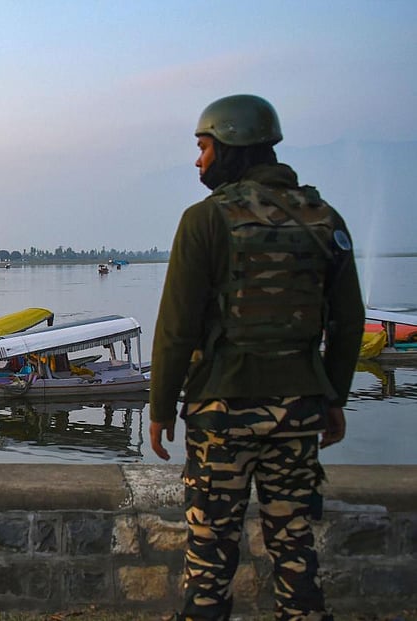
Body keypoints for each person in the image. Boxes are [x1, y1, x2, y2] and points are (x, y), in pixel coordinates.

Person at [149, 94, 365, 621]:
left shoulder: (204, 220)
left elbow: (177, 326)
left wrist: (159, 408)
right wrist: (332, 396)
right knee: (294, 545)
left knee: (210, 547)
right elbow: (348, 322)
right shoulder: (323, 218)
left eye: (204, 147)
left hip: (221, 413)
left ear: (231, 145)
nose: (199, 161)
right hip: (298, 414)